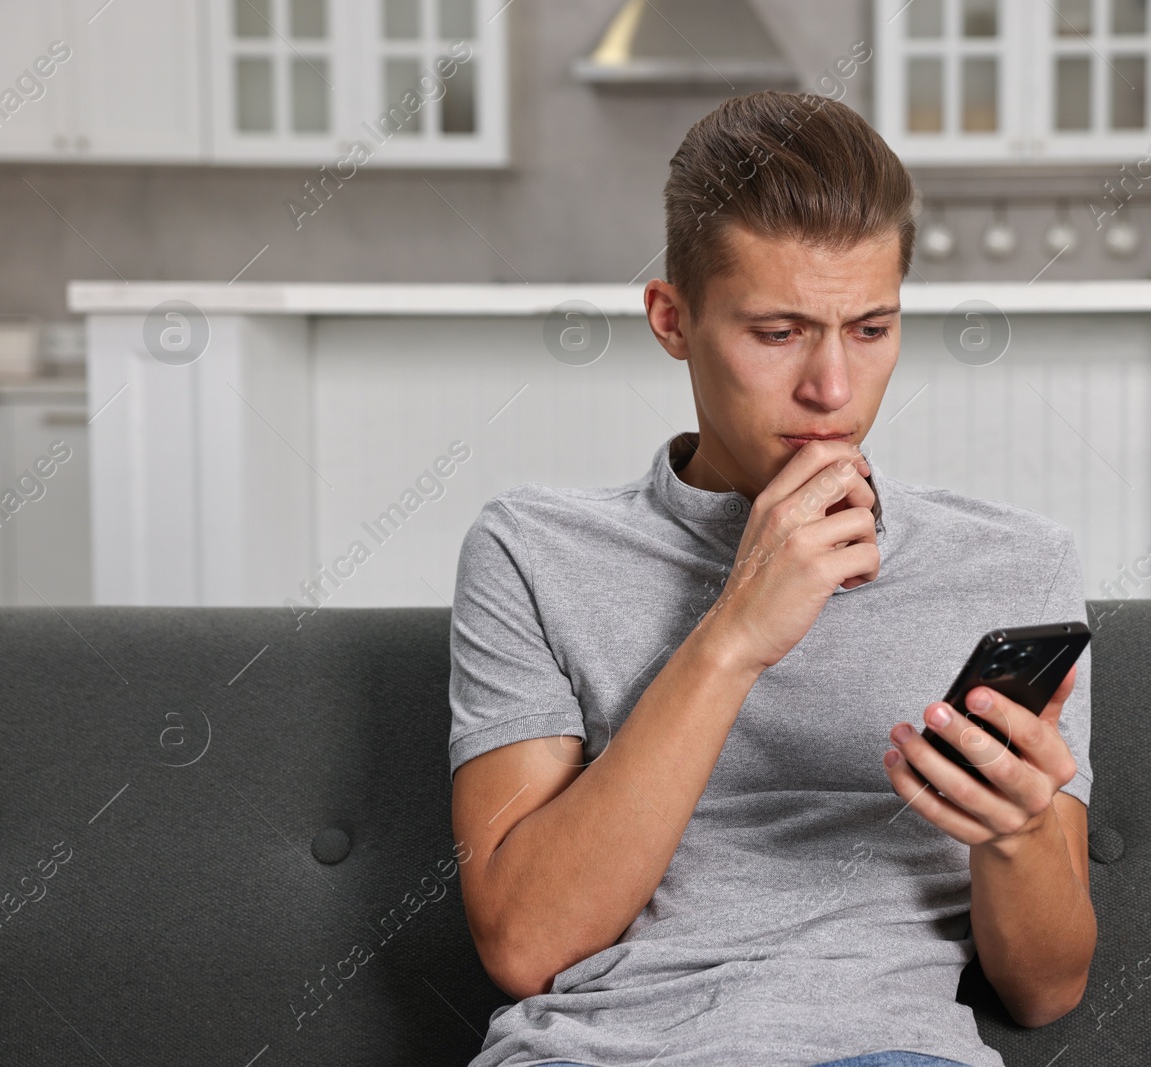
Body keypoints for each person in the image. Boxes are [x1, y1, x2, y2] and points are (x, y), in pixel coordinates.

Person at [448, 89, 1095, 1067]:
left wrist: (1016, 834)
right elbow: (526, 943)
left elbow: (1045, 988)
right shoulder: (530, 549)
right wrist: (734, 632)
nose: (831, 390)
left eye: (870, 329)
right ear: (672, 318)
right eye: (778, 331)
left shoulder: (1014, 563)